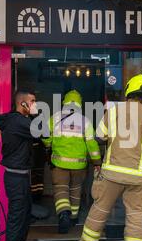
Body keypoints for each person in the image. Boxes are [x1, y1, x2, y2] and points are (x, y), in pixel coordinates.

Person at [76, 74, 142, 241]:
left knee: (100, 208)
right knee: (135, 216)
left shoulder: (114, 111)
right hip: (138, 177)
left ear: (128, 92)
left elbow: (99, 136)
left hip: (112, 175)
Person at [42, 90, 102, 233]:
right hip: (79, 165)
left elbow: (45, 136)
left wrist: (49, 145)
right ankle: (74, 218)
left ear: (65, 102)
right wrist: (97, 161)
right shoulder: (85, 121)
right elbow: (92, 144)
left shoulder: (54, 118)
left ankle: (63, 214)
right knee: (76, 190)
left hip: (59, 163)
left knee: (61, 189)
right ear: (79, 104)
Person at [0, 90, 38, 241]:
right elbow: (40, 133)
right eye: (33, 101)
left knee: (25, 214)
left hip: (20, 176)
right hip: (16, 177)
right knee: (16, 217)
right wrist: (37, 114)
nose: (35, 104)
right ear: (23, 104)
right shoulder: (19, 122)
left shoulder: (17, 121)